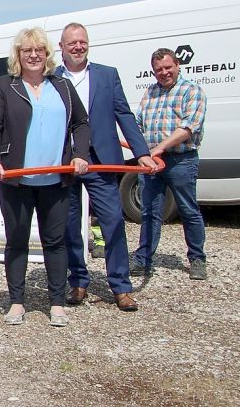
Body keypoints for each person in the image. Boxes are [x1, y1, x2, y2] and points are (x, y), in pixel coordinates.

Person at [0, 27, 90, 327]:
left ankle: (57, 303)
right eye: (27, 50)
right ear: (18, 55)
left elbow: (81, 123)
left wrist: (80, 154)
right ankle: (17, 302)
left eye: (39, 50)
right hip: (16, 181)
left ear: (47, 54)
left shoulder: (63, 87)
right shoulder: (6, 86)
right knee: (16, 241)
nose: (33, 55)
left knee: (55, 242)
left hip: (55, 180)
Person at [56, 23, 158, 311]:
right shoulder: (53, 78)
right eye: (72, 42)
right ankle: (77, 281)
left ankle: (121, 286)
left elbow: (124, 114)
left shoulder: (107, 75)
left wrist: (141, 153)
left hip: (102, 160)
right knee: (70, 225)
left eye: (82, 42)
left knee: (113, 222)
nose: (78, 47)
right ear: (61, 47)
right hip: (66, 162)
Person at [132, 48, 208, 280]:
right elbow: (138, 122)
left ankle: (197, 259)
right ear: (153, 72)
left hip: (180, 160)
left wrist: (160, 147)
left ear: (177, 65)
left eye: (167, 67)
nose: (164, 72)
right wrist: (138, 147)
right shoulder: (151, 91)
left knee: (188, 209)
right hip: (151, 161)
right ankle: (143, 258)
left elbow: (188, 128)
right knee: (150, 212)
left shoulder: (191, 91)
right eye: (158, 70)